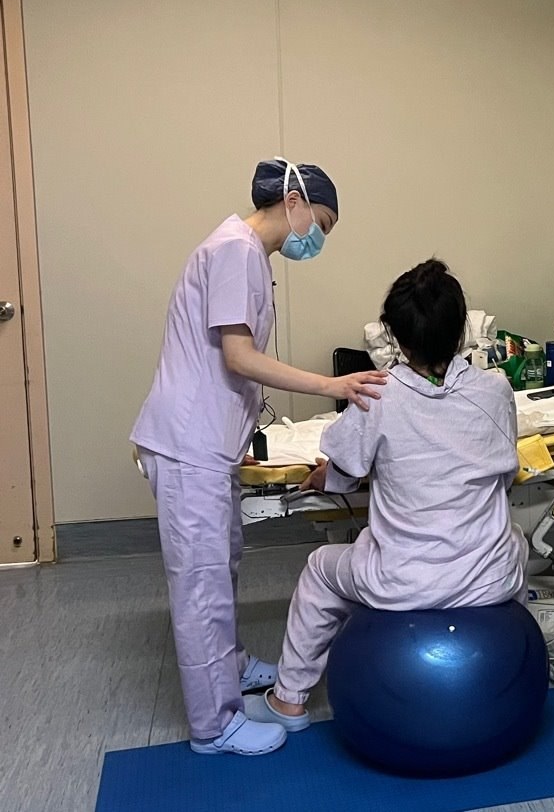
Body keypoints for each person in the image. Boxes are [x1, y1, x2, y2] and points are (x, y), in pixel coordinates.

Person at [130, 159, 387, 756]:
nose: (316, 238)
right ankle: (215, 725)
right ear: (292, 200)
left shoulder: (244, 253)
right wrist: (332, 385)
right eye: (320, 223)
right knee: (201, 585)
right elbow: (239, 358)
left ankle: (231, 667)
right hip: (189, 443)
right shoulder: (235, 250)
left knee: (219, 564)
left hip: (205, 443)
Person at [245, 259, 527, 732]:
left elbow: (344, 469)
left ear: (397, 337)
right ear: (461, 330)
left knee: (320, 570)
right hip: (488, 576)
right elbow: (502, 469)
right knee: (513, 540)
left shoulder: (377, 394)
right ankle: (517, 667)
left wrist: (325, 477)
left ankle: (288, 701)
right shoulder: (496, 390)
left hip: (405, 581)